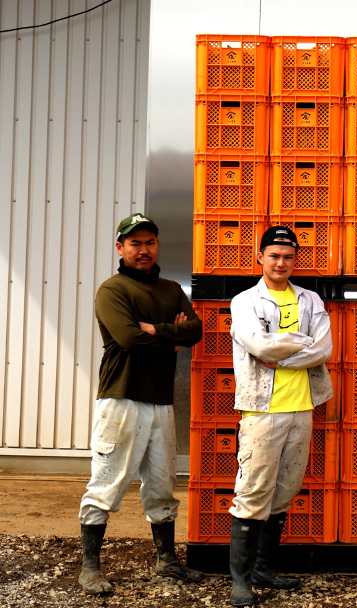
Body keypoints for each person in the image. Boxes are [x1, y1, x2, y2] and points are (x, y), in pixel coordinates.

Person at [78, 213, 205, 593]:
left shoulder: (170, 290)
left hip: (160, 402)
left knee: (163, 484)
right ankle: (90, 568)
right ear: (120, 248)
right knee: (106, 483)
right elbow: (130, 340)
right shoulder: (112, 290)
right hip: (121, 398)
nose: (144, 249)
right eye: (135, 243)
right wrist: (172, 338)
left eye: (150, 242)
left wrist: (159, 330)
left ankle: (167, 561)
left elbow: (195, 329)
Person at [227, 226, 333, 607]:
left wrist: (280, 350)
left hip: (302, 407)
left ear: (295, 260)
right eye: (273, 255)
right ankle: (240, 580)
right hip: (261, 409)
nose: (281, 263)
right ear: (260, 257)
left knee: (284, 491)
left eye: (288, 256)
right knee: (253, 491)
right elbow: (257, 345)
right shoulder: (245, 301)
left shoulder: (309, 299)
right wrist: (295, 344)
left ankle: (263, 569)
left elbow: (322, 349)